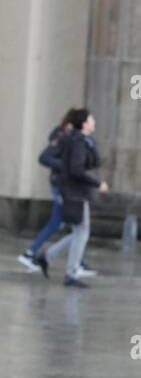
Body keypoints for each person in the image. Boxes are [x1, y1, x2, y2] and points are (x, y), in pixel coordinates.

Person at [33, 108, 109, 286]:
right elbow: (77, 169)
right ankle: (70, 272)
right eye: (91, 119)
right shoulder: (77, 142)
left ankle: (47, 256)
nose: (94, 122)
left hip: (76, 192)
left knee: (80, 232)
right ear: (84, 123)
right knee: (81, 231)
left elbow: (92, 162)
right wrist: (98, 183)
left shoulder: (83, 141)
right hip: (76, 192)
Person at [17, 109, 76, 272]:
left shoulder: (68, 134)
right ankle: (31, 253)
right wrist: (65, 167)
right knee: (71, 225)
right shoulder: (63, 135)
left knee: (71, 226)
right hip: (60, 185)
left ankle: (76, 262)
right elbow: (45, 157)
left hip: (64, 185)